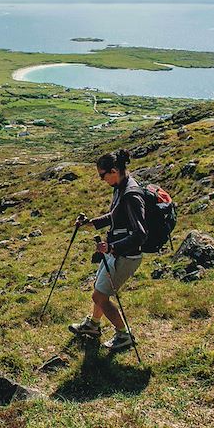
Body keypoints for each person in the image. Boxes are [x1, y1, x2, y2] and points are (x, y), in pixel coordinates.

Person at [69, 149, 147, 351]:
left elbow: (140, 234)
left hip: (126, 256)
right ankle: (93, 325)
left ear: (113, 171)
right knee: (99, 288)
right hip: (115, 253)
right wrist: (90, 224)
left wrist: (112, 247)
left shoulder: (131, 195)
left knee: (100, 297)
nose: (101, 179)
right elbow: (114, 216)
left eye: (102, 175)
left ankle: (124, 335)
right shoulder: (120, 187)